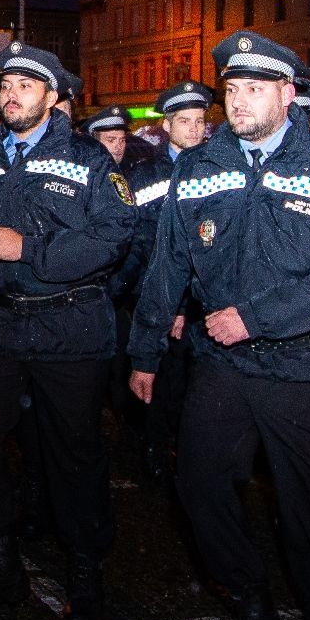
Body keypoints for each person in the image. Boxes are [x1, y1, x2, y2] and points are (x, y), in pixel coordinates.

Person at [129, 30, 310, 620]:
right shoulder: (198, 167)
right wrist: (145, 351)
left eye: (255, 89)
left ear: (288, 94)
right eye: (232, 89)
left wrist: (256, 317)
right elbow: (167, 265)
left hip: (307, 369)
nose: (238, 101)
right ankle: (253, 612)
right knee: (199, 486)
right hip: (225, 367)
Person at [0, 41, 136, 620]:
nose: (12, 94)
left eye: (25, 85)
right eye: (5, 85)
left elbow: (115, 234)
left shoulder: (88, 158)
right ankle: (1, 566)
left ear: (52, 96)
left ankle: (85, 571)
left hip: (66, 325)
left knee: (73, 454)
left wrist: (34, 251)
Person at [118, 80, 213, 483]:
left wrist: (188, 305)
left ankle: (190, 454)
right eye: (185, 121)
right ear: (167, 126)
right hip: (155, 298)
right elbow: (136, 242)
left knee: (197, 386)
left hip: (202, 304)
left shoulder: (216, 172)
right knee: (158, 379)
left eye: (200, 121)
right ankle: (155, 448)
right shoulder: (144, 176)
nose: (194, 129)